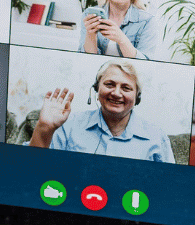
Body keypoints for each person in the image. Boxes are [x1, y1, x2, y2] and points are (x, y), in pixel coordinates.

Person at [28, 61, 173, 162]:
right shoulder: (68, 124)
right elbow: (32, 166)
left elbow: (168, 186)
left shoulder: (156, 137)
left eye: (126, 88)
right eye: (109, 84)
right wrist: (44, 127)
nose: (116, 93)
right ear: (97, 89)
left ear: (137, 97)